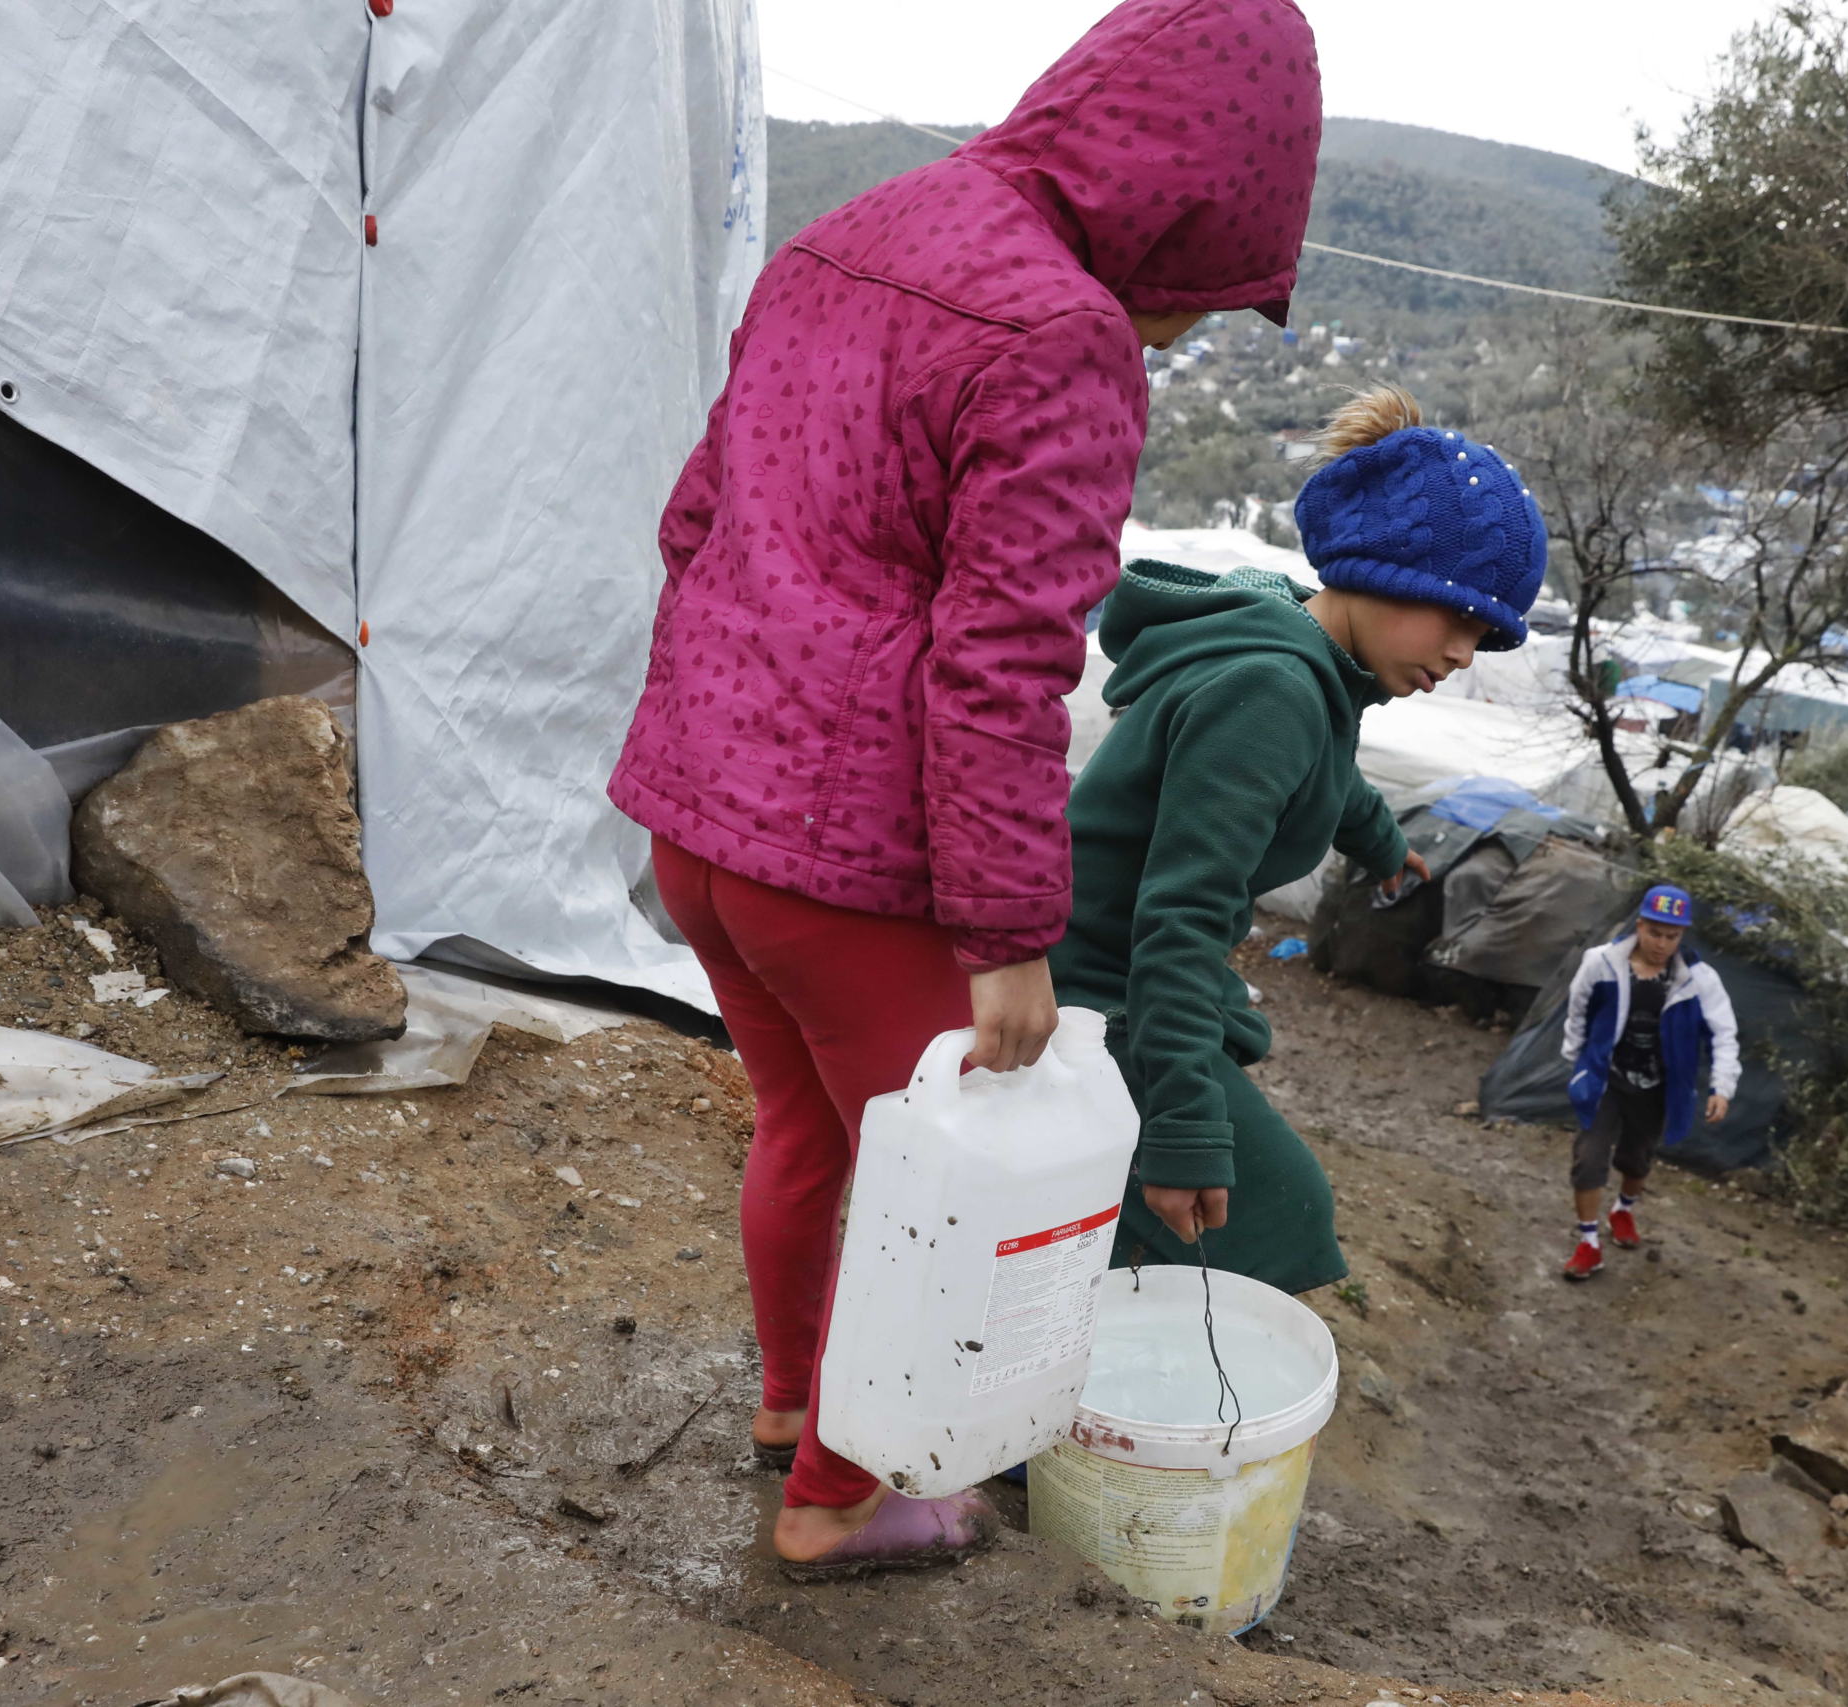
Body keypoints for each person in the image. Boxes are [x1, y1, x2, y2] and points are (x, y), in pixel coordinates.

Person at [608, 0, 1325, 1579]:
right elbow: (1003, 660)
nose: (1176, 335)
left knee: (804, 1129)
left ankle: (793, 1406)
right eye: (1198, 300)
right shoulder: (1061, 330)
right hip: (849, 863)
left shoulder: (847, 237)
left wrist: (712, 733)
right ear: (1185, 202)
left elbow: (694, 520)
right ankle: (844, 1493)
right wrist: (1010, 931)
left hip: (701, 822)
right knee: (928, 1186)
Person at [1051, 384, 1547, 1291]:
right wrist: (1183, 1128)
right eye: (1461, 615)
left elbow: (1326, 773)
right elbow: (1179, 921)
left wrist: (1383, 841)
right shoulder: (1274, 690)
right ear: (1390, 570)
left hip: (1113, 966)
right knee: (1283, 1215)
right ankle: (1052, 1398)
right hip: (1093, 993)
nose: (1468, 652)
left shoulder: (1298, 648)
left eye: (1489, 633)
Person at [1556, 884, 1739, 1280]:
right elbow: (1578, 1009)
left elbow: (1724, 1033)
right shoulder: (1602, 963)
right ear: (1639, 926)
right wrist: (1577, 1061)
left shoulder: (1699, 980)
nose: (1662, 944)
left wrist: (1721, 1087)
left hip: (1658, 1086)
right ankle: (1588, 1243)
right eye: (1655, 933)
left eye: (1672, 936)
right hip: (1607, 1079)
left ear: (1682, 936)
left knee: (1636, 1159)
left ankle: (1623, 1209)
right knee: (1589, 1158)